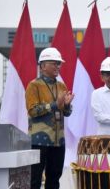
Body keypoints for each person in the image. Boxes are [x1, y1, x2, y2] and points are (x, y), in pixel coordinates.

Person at [25, 47, 74, 189]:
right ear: (43, 66)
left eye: (59, 63)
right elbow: (32, 111)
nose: (58, 66)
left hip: (58, 142)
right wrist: (54, 105)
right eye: (55, 63)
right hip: (38, 141)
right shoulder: (34, 85)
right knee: (34, 179)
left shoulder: (61, 85)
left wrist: (66, 106)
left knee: (54, 179)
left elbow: (67, 113)